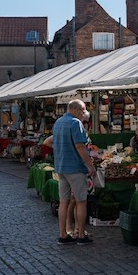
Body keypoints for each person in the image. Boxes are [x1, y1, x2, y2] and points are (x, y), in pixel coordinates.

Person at [52, 99, 96, 245]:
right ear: (77, 110)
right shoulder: (75, 123)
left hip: (61, 167)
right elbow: (80, 147)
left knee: (63, 202)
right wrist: (90, 166)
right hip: (75, 168)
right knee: (81, 201)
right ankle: (81, 235)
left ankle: (63, 234)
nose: (84, 114)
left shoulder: (58, 122)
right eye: (83, 111)